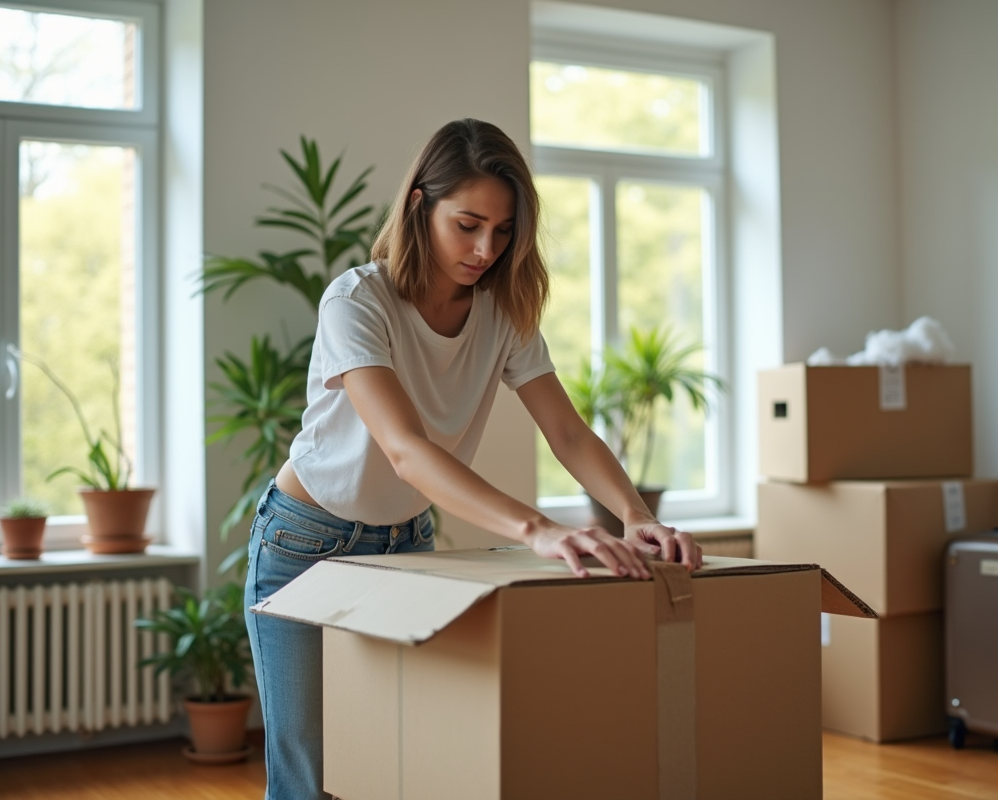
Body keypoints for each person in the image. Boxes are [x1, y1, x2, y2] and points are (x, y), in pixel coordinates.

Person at [243, 117, 703, 800]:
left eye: (504, 230)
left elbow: (568, 433)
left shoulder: (503, 313)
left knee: (398, 762)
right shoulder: (358, 300)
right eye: (468, 224)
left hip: (406, 542)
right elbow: (406, 450)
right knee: (309, 773)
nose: (487, 248)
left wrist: (635, 515)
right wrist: (538, 529)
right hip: (305, 543)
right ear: (419, 205)